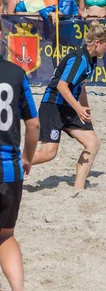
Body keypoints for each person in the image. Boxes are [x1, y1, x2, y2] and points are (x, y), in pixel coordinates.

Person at [31, 21, 106, 190]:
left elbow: (81, 87)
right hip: (53, 106)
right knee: (48, 154)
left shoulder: (91, 60)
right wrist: (78, 108)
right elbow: (62, 86)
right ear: (97, 43)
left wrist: (85, 112)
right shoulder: (78, 59)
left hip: (69, 107)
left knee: (92, 143)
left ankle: (78, 189)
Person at [0, 56, 40, 291]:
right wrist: (27, 157)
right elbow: (33, 124)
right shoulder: (16, 73)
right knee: (5, 236)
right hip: (9, 170)